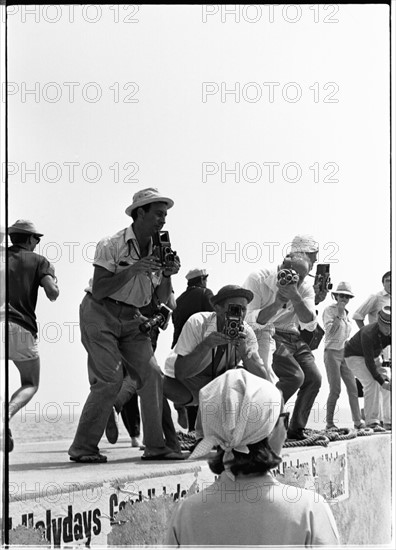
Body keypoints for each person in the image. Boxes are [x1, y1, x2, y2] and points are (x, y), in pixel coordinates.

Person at [68, 188, 184, 463]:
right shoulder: (112, 243)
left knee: (153, 375)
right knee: (109, 380)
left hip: (133, 317)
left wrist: (167, 274)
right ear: (139, 213)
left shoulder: (160, 249)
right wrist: (134, 268)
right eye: (158, 214)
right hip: (99, 312)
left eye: (165, 215)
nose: (163, 220)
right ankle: (83, 447)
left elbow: (163, 297)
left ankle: (155, 447)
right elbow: (99, 289)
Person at [165, 369, 340, 546]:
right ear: (269, 432)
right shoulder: (309, 510)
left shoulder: (184, 514)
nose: (285, 431)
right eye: (284, 419)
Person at [163, 285, 270, 427]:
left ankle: (227, 432)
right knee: (154, 383)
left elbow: (264, 380)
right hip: (186, 382)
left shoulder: (247, 332)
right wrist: (206, 345)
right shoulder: (198, 322)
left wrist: (244, 353)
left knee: (240, 376)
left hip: (216, 386)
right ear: (217, 308)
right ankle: (168, 439)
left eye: (243, 309)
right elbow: (181, 372)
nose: (238, 315)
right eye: (234, 309)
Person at [244, 253, 321, 440]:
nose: (294, 279)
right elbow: (249, 321)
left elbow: (309, 323)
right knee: (294, 377)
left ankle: (295, 429)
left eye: (300, 277)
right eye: (290, 273)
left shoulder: (304, 289)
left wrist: (295, 297)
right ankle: (267, 420)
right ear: (281, 267)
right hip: (267, 332)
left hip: (293, 335)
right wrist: (277, 303)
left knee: (314, 378)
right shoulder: (258, 279)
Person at [7, 220, 59, 451]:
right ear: (29, 239)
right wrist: (53, 279)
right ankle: (4, 416)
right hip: (19, 326)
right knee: (30, 382)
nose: (37, 243)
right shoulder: (39, 261)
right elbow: (52, 293)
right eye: (37, 239)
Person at [170, 268, 214, 430]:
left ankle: (190, 427)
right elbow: (215, 317)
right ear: (202, 279)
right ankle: (201, 429)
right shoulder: (205, 293)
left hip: (179, 346)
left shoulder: (179, 299)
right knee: (204, 386)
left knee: (187, 383)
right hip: (198, 345)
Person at [322, 282, 364, 430]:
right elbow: (330, 333)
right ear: (336, 296)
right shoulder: (329, 310)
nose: (344, 298)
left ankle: (358, 422)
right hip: (331, 353)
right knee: (335, 389)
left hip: (344, 354)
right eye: (341, 295)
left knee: (353, 388)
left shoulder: (348, 314)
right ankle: (329, 423)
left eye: (347, 296)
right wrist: (339, 314)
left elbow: (345, 337)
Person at [344, 305, 391, 431]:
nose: (388, 330)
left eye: (391, 326)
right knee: (372, 382)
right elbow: (369, 363)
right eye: (386, 327)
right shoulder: (368, 333)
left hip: (374, 356)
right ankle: (372, 422)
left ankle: (389, 420)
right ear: (379, 323)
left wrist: (386, 382)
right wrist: (382, 382)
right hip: (354, 356)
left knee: (388, 377)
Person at [352, 271, 391, 366]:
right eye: (388, 280)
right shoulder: (376, 297)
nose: (390, 283)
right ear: (383, 283)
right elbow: (358, 316)